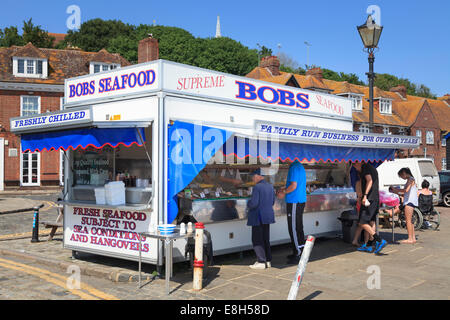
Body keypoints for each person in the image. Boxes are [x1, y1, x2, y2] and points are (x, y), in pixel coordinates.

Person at [352, 161, 387, 254]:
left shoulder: (365, 168)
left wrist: (365, 195)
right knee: (371, 221)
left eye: (354, 164)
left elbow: (370, 180)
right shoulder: (371, 168)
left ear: (358, 162)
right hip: (375, 198)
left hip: (369, 199)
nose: (354, 167)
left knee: (362, 222)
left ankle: (379, 240)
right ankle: (369, 245)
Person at [277, 160, 307, 264]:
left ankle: (297, 254)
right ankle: (301, 251)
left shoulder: (294, 167)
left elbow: (293, 186)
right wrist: (285, 187)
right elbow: (295, 185)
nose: (283, 159)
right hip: (299, 200)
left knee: (293, 228)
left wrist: (283, 192)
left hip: (294, 200)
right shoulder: (299, 166)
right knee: (299, 227)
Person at [246, 168, 276, 269]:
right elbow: (272, 202)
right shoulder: (270, 186)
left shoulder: (257, 187)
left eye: (253, 177)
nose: (253, 179)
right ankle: (268, 260)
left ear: (259, 176)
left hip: (258, 216)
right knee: (265, 238)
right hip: (267, 216)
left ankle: (261, 261)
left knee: (257, 239)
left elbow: (254, 203)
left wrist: (248, 203)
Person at [391, 168, 418, 244]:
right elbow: (407, 192)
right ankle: (413, 238)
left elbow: (406, 190)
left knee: (408, 220)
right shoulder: (411, 179)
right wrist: (398, 192)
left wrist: (396, 190)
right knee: (410, 220)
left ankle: (410, 238)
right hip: (411, 202)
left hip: (409, 202)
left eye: (401, 176)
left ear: (404, 173)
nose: (401, 178)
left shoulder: (410, 179)